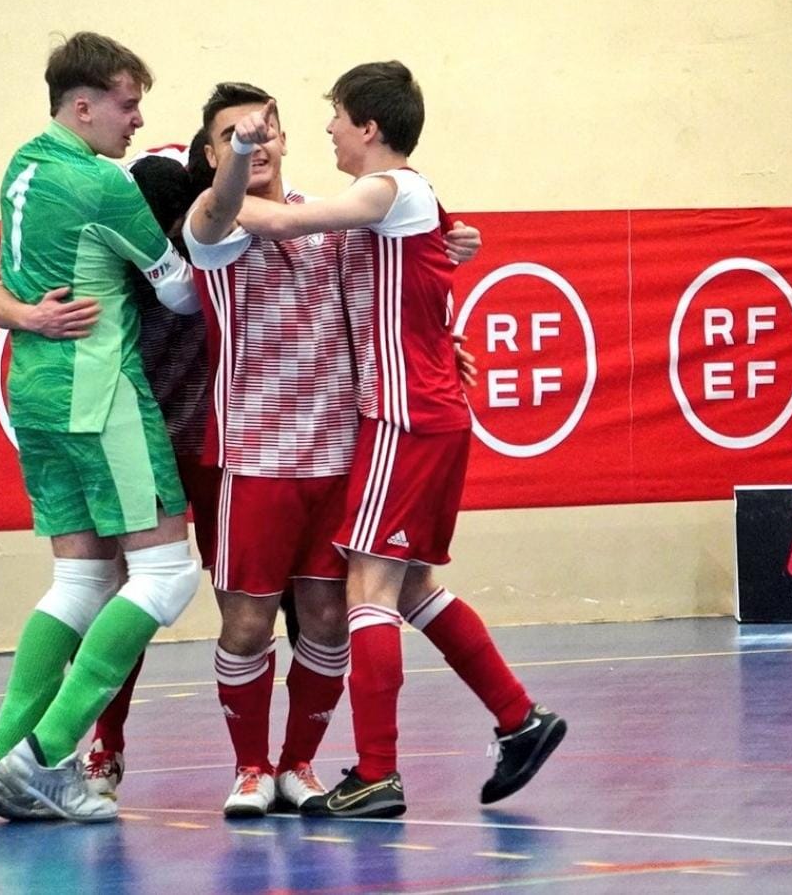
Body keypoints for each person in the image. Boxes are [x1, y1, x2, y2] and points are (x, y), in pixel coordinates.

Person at [235, 61, 566, 818]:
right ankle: (520, 718)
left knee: (369, 588)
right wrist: (459, 239)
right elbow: (421, 250)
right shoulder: (405, 201)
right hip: (427, 411)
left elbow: (286, 221)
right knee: (409, 584)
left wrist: (209, 200)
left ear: (369, 127)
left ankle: (378, 772)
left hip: (405, 416)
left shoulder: (391, 190)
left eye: (337, 118)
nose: (327, 131)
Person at [0, 32, 202, 824]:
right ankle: (46, 754)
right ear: (85, 104)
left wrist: (23, 312)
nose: (136, 122)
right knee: (166, 576)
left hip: (32, 392)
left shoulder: (21, 166)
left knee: (82, 579)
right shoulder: (102, 184)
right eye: (128, 106)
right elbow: (178, 294)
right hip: (100, 395)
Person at [183, 83, 360, 817]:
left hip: (337, 455)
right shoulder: (209, 222)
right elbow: (223, 209)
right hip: (252, 457)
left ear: (287, 139)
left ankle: (299, 765)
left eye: (263, 131)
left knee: (325, 620)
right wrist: (240, 155)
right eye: (232, 136)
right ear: (211, 153)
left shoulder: (334, 220)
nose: (252, 143)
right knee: (248, 624)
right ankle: (250, 768)